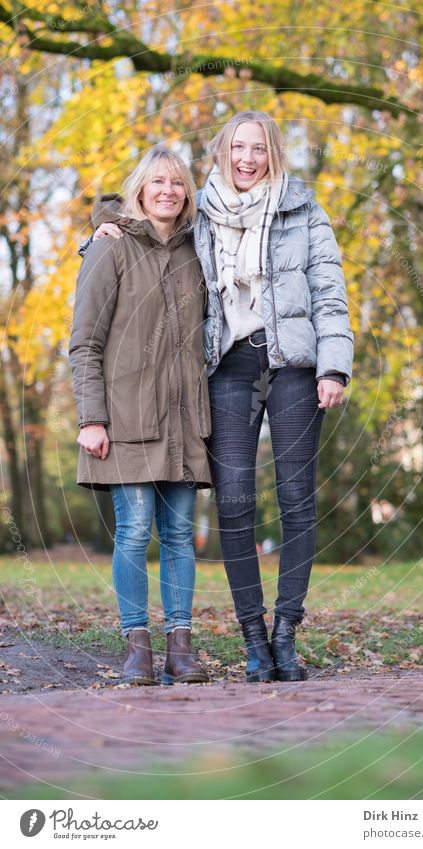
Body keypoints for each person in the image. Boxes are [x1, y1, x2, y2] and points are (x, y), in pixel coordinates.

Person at [90, 111, 354, 684]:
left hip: (294, 365)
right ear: (221, 152)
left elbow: (330, 292)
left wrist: (334, 367)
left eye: (258, 148)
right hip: (227, 367)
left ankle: (286, 633)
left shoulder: (305, 210)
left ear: (273, 154)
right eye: (237, 147)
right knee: (233, 503)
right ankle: (253, 639)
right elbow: (143, 223)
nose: (247, 158)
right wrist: (100, 224)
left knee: (296, 499)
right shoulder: (200, 213)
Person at [70, 146, 212, 686]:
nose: (168, 191)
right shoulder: (110, 249)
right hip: (125, 418)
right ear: (139, 188)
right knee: (132, 533)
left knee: (178, 537)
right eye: (158, 181)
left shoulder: (198, 249)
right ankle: (137, 647)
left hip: (184, 421)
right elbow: (84, 342)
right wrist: (91, 417)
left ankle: (182, 646)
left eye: (177, 182)